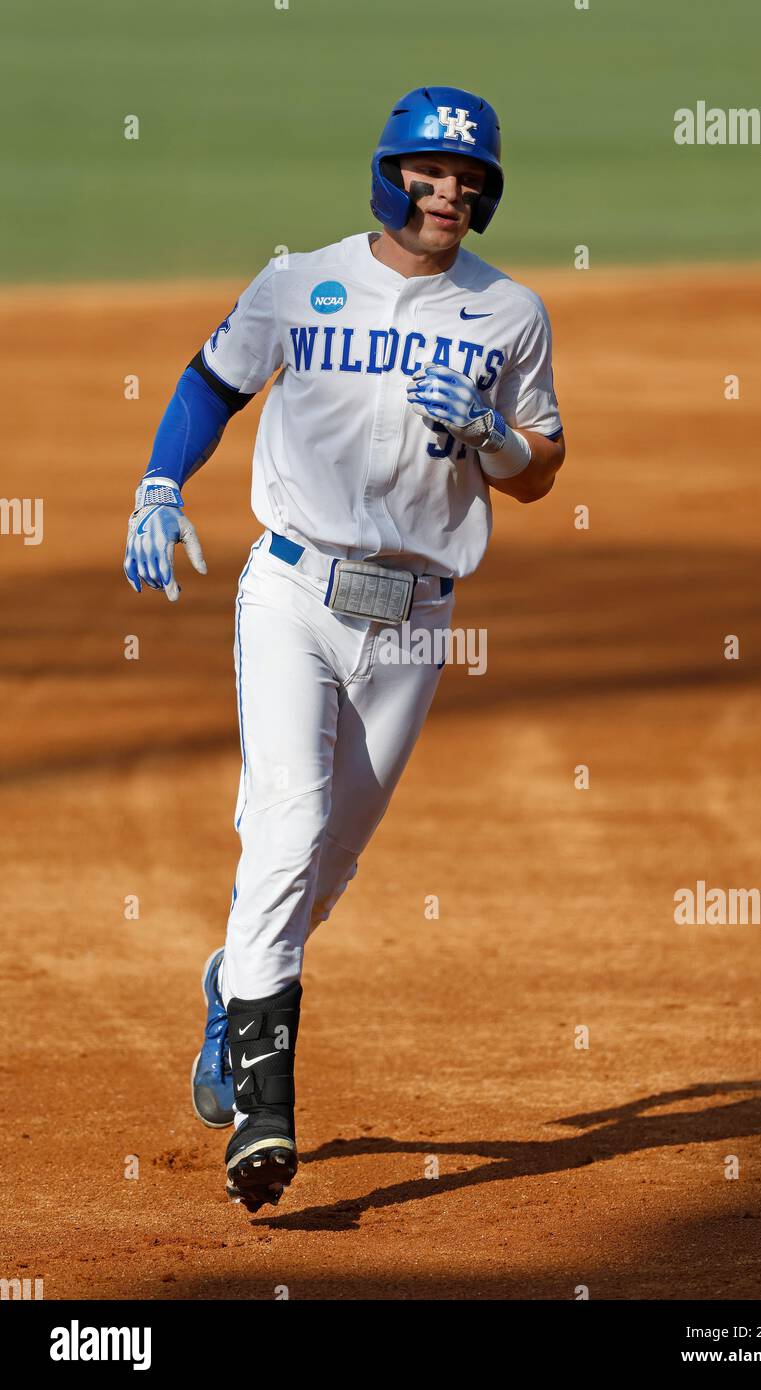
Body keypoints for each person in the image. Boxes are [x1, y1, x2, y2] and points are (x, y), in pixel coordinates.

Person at [123, 86, 565, 1213]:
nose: (450, 192)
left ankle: (236, 982)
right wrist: (161, 482)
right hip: (289, 593)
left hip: (415, 616)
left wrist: (495, 437)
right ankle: (265, 1115)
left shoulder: (509, 313)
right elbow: (210, 382)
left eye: (469, 180)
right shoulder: (296, 283)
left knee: (331, 861)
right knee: (287, 822)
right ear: (388, 174)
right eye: (431, 172)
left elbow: (542, 468)